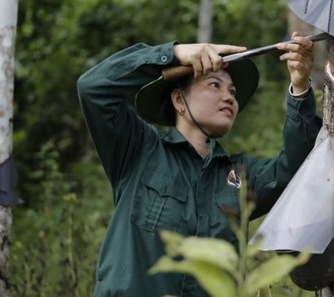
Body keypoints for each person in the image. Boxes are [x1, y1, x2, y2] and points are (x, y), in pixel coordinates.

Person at [77, 32, 321, 297]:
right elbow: (93, 88)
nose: (229, 97)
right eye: (214, 85)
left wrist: (300, 87)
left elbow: (294, 169)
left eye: (233, 92)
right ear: (179, 101)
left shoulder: (238, 175)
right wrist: (176, 53)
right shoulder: (139, 150)